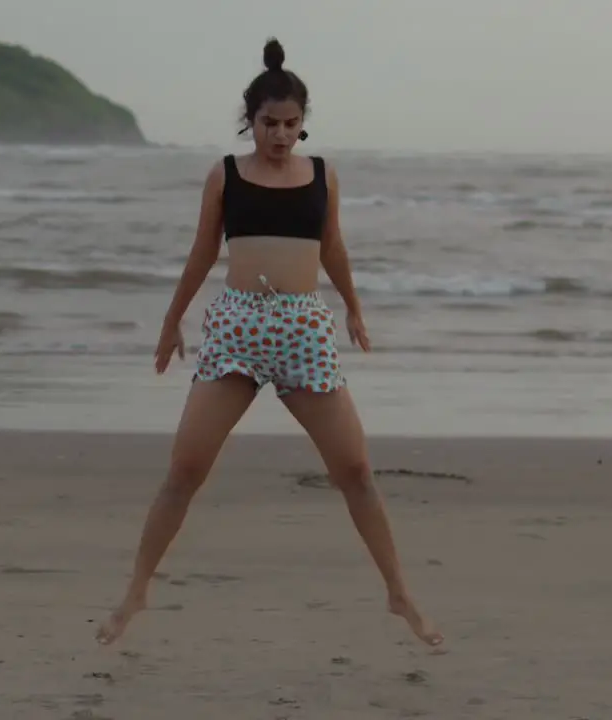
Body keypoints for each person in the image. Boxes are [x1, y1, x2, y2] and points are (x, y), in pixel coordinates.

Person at [96, 37, 443, 650]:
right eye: (269, 124)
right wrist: (171, 320)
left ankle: (398, 591)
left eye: (290, 124)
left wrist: (354, 308)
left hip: (304, 330)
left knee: (357, 470)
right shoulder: (225, 175)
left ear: (303, 125)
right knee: (185, 469)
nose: (280, 135)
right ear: (249, 122)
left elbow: (332, 246)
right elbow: (203, 251)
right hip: (235, 328)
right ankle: (136, 590)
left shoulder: (324, 175)